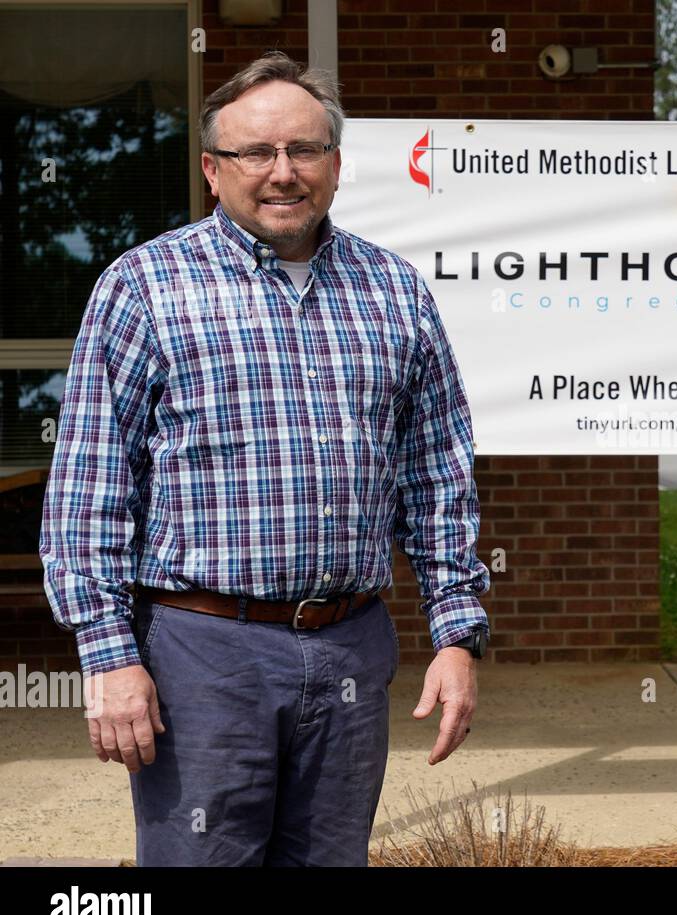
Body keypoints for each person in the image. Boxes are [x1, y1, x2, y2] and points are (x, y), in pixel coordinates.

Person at [39, 51, 490, 866]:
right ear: (213, 169)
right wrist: (108, 655)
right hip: (203, 655)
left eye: (304, 150)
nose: (283, 173)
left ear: (337, 164)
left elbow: (437, 477)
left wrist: (456, 634)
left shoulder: (394, 291)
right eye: (255, 153)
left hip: (351, 647)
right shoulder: (145, 286)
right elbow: (89, 491)